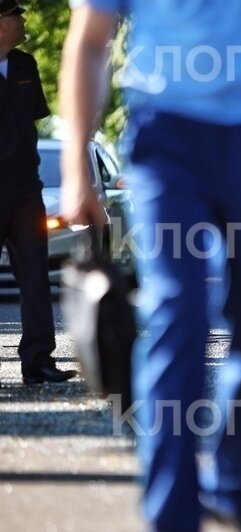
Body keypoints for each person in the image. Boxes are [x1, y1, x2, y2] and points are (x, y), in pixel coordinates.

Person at [59, 1, 241, 530]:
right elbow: (90, 39)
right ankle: (170, 512)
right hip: (167, 137)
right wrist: (77, 164)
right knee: (179, 313)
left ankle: (235, 487)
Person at [0, 0, 76, 385]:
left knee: (34, 276)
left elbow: (34, 121)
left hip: (26, 189)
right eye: (16, 14)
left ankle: (38, 362)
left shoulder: (26, 65)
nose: (23, 19)